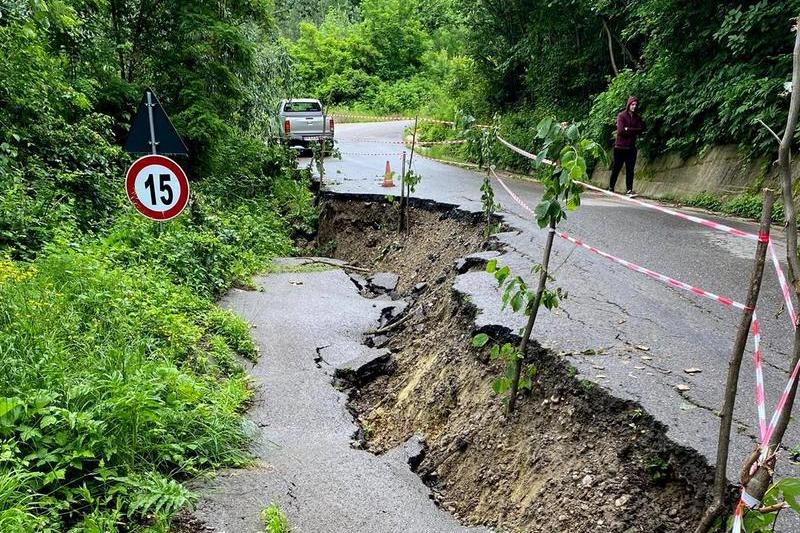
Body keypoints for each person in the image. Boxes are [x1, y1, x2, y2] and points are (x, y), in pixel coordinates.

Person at [608, 96, 644, 196]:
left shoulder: (637, 117)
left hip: (631, 147)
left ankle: (629, 189)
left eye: (636, 105)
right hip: (620, 147)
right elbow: (620, 131)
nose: (634, 106)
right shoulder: (621, 116)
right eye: (632, 104)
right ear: (629, 105)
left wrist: (629, 129)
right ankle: (611, 187)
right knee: (617, 167)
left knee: (630, 169)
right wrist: (631, 130)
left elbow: (640, 129)